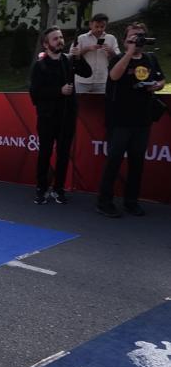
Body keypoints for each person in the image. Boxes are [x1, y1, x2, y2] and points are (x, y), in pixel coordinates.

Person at [96, 22, 165, 218]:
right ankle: (104, 201)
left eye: (141, 36)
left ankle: (131, 201)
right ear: (125, 40)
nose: (137, 39)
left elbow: (161, 79)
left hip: (142, 120)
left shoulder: (151, 58)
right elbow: (114, 76)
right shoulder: (118, 58)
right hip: (119, 120)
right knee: (114, 161)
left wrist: (156, 86)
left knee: (137, 163)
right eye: (133, 36)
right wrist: (129, 53)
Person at [29, 26, 92, 204]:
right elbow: (35, 93)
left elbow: (87, 73)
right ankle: (41, 187)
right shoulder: (40, 66)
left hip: (67, 116)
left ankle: (59, 188)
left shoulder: (69, 60)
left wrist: (79, 57)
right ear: (46, 44)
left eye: (61, 37)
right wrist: (59, 90)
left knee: (64, 154)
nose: (60, 41)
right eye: (55, 38)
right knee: (45, 153)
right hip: (48, 117)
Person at [76, 13, 120, 94]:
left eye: (102, 27)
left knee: (101, 105)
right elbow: (73, 56)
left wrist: (110, 51)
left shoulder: (111, 38)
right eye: (96, 26)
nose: (99, 29)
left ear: (106, 26)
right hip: (82, 80)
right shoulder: (81, 38)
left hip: (102, 80)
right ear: (91, 25)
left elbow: (118, 58)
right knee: (80, 104)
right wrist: (87, 49)